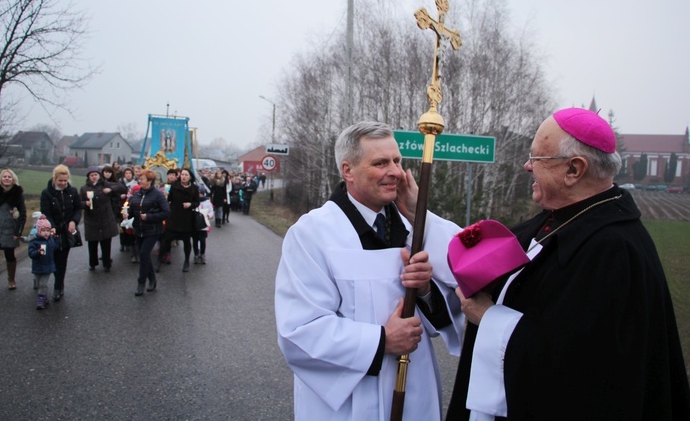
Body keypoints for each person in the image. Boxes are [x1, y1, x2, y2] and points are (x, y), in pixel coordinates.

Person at [446, 108, 690, 420]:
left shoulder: (613, 251)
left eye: (536, 159)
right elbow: (485, 251)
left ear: (574, 169)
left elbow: (577, 369)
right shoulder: (558, 219)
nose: (526, 166)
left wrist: (488, 316)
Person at [275, 121, 464, 420]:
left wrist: (426, 291)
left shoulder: (414, 230)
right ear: (348, 171)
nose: (395, 172)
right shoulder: (313, 233)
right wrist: (382, 340)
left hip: (414, 387)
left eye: (397, 161)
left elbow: (455, 306)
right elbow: (299, 331)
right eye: (381, 163)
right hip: (348, 402)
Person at [40, 164, 82, 302]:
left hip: (67, 232)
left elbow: (77, 209)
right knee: (46, 258)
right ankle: (40, 283)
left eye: (65, 180)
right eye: (60, 181)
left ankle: (58, 286)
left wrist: (73, 221)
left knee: (61, 260)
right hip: (52, 231)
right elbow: (46, 212)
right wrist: (51, 226)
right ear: (54, 179)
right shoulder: (47, 193)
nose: (63, 183)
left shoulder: (73, 192)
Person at [125, 169, 169, 296]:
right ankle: (153, 279)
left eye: (142, 179)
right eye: (139, 179)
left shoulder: (158, 195)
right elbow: (133, 210)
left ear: (149, 181)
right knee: (144, 255)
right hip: (139, 229)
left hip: (153, 230)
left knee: (144, 253)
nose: (139, 181)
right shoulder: (137, 194)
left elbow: (166, 212)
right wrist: (126, 215)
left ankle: (141, 283)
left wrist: (149, 217)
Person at [80, 166, 125, 272]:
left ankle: (107, 263)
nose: (94, 177)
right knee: (92, 243)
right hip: (92, 218)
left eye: (96, 175)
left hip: (106, 217)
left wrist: (111, 189)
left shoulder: (105, 184)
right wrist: (85, 203)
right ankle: (93, 263)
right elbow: (79, 202)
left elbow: (122, 188)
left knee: (106, 242)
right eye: (92, 175)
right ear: (88, 177)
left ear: (99, 175)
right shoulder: (84, 188)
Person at [160, 168, 199, 272]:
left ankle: (186, 261)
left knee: (186, 241)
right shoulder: (173, 186)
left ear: (190, 177)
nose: (184, 176)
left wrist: (190, 204)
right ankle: (159, 261)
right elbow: (169, 200)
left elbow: (197, 202)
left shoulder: (194, 188)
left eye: (186, 175)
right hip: (173, 217)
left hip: (186, 219)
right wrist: (166, 196)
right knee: (166, 240)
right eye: (182, 174)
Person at [28, 215, 57, 310]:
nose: (46, 233)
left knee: (43, 284)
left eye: (48, 231)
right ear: (39, 231)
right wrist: (38, 252)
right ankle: (44, 297)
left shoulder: (50, 240)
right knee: (38, 283)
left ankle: (40, 300)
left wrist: (55, 239)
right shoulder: (35, 241)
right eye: (44, 231)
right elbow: (31, 253)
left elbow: (55, 247)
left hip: (48, 266)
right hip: (37, 266)